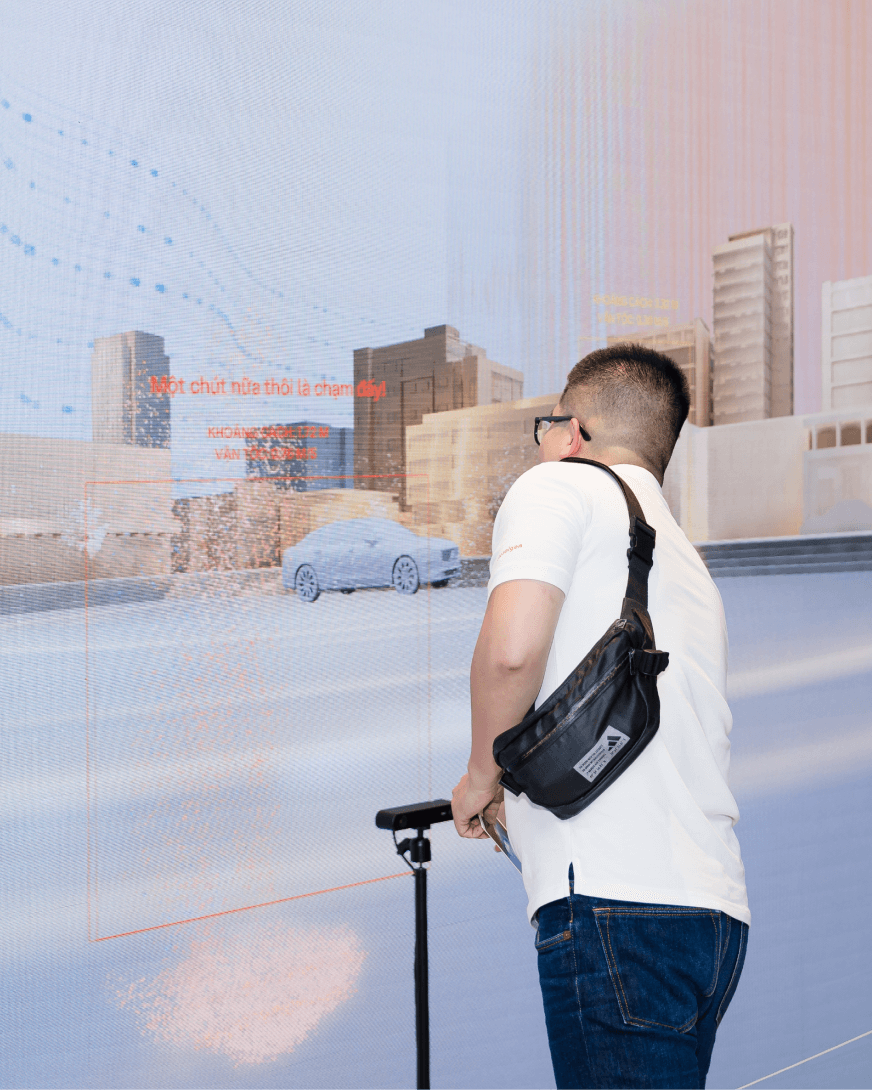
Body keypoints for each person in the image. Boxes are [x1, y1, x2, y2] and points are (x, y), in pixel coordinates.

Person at [451, 343, 749, 1090]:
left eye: (547, 427)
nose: (544, 444)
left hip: (616, 909)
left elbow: (513, 651)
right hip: (710, 918)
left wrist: (482, 775)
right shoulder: (685, 562)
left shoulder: (561, 487)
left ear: (573, 431)